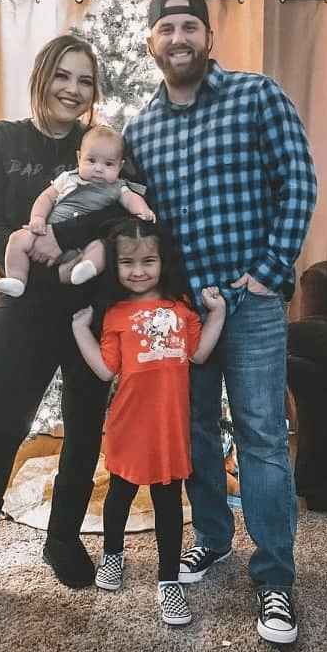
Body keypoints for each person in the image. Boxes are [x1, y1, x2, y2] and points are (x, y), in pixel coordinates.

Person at [123, 0, 317, 645]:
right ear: (151, 42)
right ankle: (212, 536)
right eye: (166, 29)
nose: (178, 39)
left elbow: (299, 181)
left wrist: (267, 273)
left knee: (262, 435)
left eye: (189, 27)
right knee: (194, 433)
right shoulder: (139, 129)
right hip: (181, 314)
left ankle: (275, 577)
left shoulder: (256, 95)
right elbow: (131, 222)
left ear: (208, 37)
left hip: (250, 304)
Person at [0, 34, 128, 630]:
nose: (73, 90)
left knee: (85, 430)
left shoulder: (99, 147)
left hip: (87, 311)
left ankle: (61, 538)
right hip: (22, 309)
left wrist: (66, 245)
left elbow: (122, 221)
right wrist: (26, 245)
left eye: (85, 80)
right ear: (42, 76)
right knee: (1, 434)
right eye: (63, 76)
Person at [71, 217, 226, 625]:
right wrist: (80, 330)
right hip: (128, 424)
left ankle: (168, 581)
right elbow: (105, 370)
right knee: (119, 495)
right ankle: (112, 555)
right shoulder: (115, 314)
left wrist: (218, 313)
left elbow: (199, 354)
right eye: (127, 262)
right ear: (115, 266)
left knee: (168, 503)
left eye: (148, 261)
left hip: (169, 428)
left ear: (163, 261)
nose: (138, 271)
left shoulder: (181, 309)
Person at [0, 125, 155, 298]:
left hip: (83, 244)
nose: (98, 168)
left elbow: (131, 199)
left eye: (108, 164)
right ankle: (17, 279)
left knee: (102, 247)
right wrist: (38, 218)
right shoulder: (67, 178)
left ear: (120, 166)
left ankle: (86, 268)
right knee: (17, 238)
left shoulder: (117, 187)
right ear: (79, 157)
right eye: (91, 160)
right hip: (45, 232)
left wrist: (143, 211)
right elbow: (46, 198)